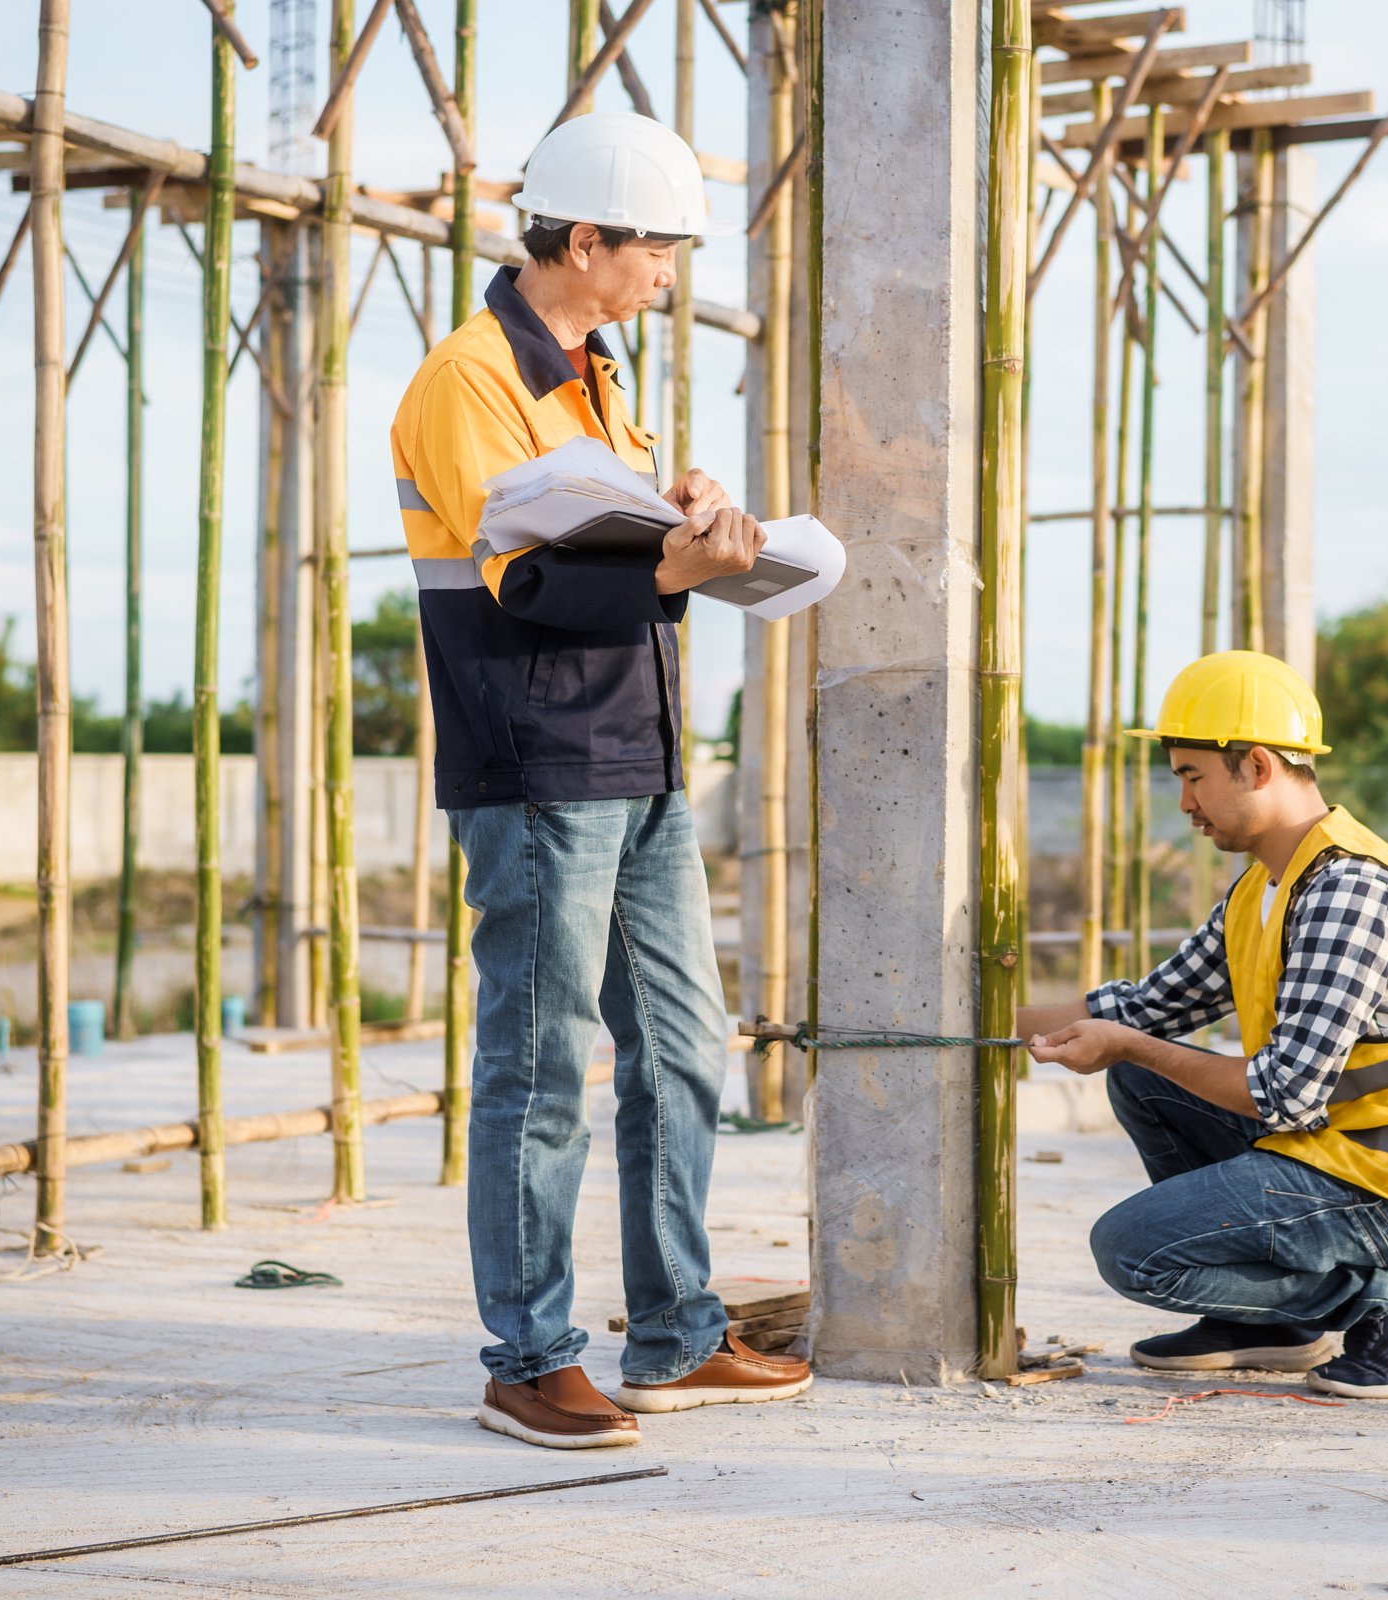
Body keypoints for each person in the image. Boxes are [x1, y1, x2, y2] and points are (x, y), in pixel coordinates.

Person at [389, 110, 809, 1451]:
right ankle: (529, 1357)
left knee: (685, 1054)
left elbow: (602, 550)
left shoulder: (595, 378)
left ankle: (678, 1332)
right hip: (538, 768)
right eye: (661, 252)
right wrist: (670, 567)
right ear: (587, 242)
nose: (672, 276)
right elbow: (524, 583)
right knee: (540, 1068)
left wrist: (680, 520)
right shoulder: (468, 382)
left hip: (643, 762)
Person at [1017, 651, 1388, 1399]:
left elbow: (1282, 1093)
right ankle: (1270, 1326)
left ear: (1258, 765)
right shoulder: (1265, 888)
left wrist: (1130, 1043)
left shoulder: (1349, 891)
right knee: (1143, 1076)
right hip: (1336, 1153)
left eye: (1191, 776)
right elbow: (1142, 1008)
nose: (1183, 802)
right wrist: (954, 1020)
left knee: (1132, 1250)